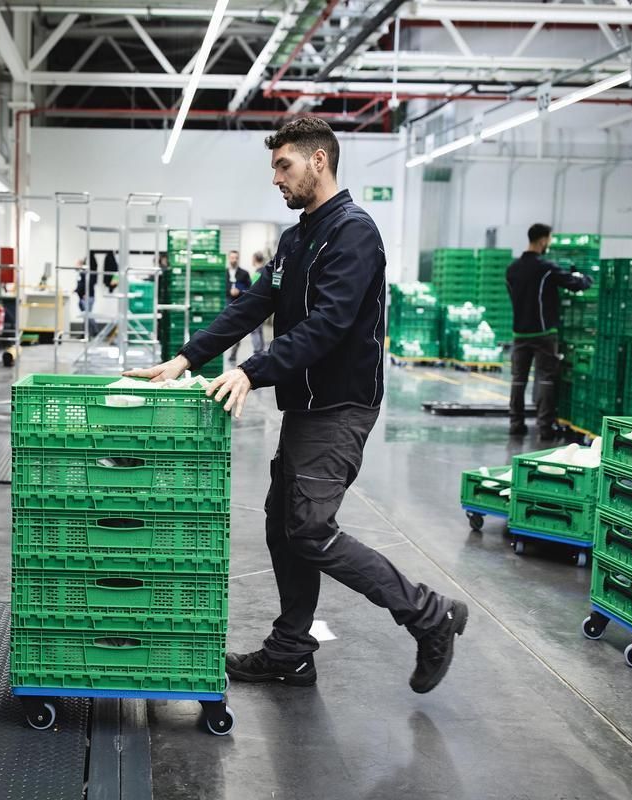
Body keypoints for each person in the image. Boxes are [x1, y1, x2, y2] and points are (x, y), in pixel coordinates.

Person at [124, 117, 467, 694]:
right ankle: (291, 651)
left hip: (341, 404)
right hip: (305, 406)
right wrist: (185, 359)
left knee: (308, 529)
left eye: (284, 166)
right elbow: (253, 306)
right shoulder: (297, 237)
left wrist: (250, 372)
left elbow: (329, 324)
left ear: (318, 161)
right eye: (274, 168)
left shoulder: (354, 232)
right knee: (284, 528)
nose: (276, 179)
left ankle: (428, 615)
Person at [505, 223, 594, 441]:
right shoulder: (545, 268)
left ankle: (516, 423)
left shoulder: (512, 269)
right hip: (543, 333)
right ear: (543, 240)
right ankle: (545, 427)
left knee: (519, 379)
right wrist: (584, 277)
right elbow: (575, 284)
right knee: (545, 377)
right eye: (550, 239)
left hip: (519, 332)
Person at [227, 250, 266, 366]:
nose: (234, 260)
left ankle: (258, 353)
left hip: (249, 306)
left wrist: (240, 291)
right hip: (232, 305)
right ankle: (258, 353)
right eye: (232, 257)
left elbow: (251, 289)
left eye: (236, 257)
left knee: (255, 331)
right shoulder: (224, 273)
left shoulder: (251, 274)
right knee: (256, 331)